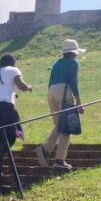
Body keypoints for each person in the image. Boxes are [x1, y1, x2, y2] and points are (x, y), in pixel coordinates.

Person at [35, 39, 86, 170]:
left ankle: (45, 150)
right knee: (66, 127)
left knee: (59, 125)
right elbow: (74, 82)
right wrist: (79, 103)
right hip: (64, 91)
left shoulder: (56, 63)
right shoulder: (73, 62)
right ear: (73, 52)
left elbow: (50, 82)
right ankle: (59, 160)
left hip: (51, 92)